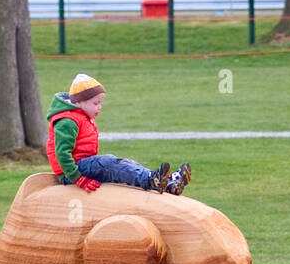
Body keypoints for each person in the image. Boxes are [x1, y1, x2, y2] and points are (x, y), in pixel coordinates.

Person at [46, 73, 190, 194]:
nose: (99, 107)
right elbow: (62, 154)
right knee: (108, 163)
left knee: (121, 165)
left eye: (100, 103)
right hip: (71, 173)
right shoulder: (67, 121)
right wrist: (76, 178)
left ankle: (166, 183)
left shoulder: (81, 116)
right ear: (79, 103)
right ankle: (151, 180)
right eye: (95, 103)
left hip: (82, 166)